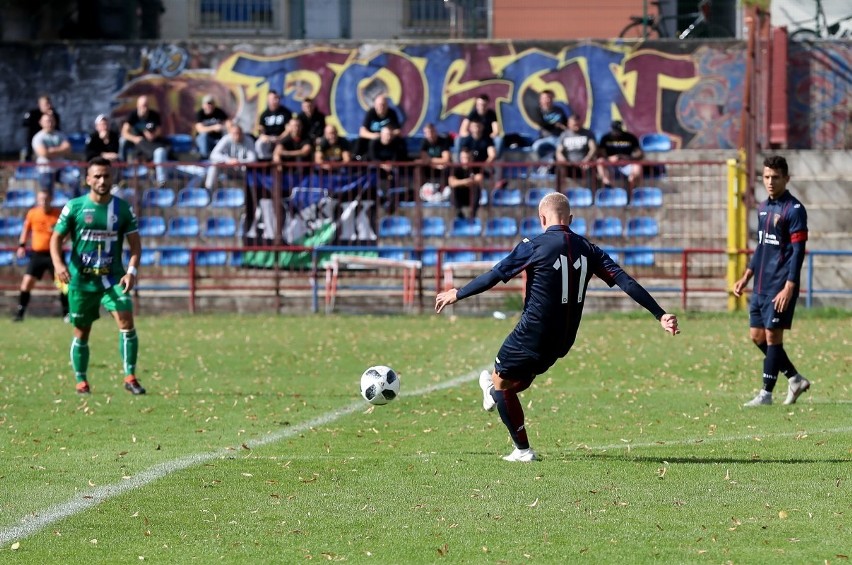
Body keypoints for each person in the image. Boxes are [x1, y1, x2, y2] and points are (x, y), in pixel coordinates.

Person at [435, 192, 680, 462]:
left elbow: (496, 275)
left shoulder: (534, 245)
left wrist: (458, 293)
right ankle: (493, 396)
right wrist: (659, 314)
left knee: (501, 382)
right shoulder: (589, 249)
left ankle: (522, 449)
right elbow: (626, 281)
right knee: (520, 376)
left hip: (533, 331)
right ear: (571, 219)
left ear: (542, 218)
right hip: (565, 338)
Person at [49, 157, 146, 396]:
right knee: (82, 332)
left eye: (107, 176)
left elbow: (135, 246)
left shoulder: (122, 209)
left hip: (113, 279)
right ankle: (81, 381)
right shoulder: (75, 207)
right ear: (88, 179)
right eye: (98, 176)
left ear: (112, 178)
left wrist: (131, 271)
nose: (103, 181)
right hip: (81, 282)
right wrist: (59, 264)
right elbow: (55, 239)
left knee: (126, 322)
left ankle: (130, 376)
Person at [733, 155, 810, 407]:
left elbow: (798, 252)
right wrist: (747, 275)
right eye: (766, 177)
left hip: (780, 285)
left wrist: (790, 285)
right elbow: (761, 246)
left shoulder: (795, 210)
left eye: (775, 177)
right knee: (757, 336)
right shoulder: (763, 207)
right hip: (760, 285)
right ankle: (795, 378)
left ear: (786, 179)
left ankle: (766, 394)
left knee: (773, 337)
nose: (770, 182)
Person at [13, 190, 69, 322]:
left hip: (54, 254)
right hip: (37, 254)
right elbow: (26, 230)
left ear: (51, 199)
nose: (43, 202)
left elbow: (67, 231)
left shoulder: (58, 214)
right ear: (37, 200)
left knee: (63, 284)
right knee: (26, 283)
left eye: (46, 199)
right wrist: (22, 246)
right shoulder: (33, 213)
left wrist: (65, 238)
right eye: (40, 199)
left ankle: (66, 313)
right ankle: (20, 313)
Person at [119, 95, 171, 187]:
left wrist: (152, 135)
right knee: (123, 141)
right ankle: (122, 166)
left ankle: (161, 182)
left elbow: (159, 131)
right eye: (142, 106)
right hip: (138, 142)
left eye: (146, 105)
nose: (144, 108)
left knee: (160, 152)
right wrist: (135, 138)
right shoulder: (133, 115)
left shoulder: (154, 115)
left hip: (152, 143)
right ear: (138, 106)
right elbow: (124, 132)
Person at [204, 123, 257, 191]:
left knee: (251, 174)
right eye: (234, 133)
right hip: (227, 167)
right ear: (230, 133)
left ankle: (250, 198)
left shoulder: (248, 140)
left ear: (242, 133)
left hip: (242, 169)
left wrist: (238, 161)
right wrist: (228, 160)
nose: (237, 136)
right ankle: (208, 191)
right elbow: (213, 155)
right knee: (214, 166)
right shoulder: (226, 139)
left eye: (238, 133)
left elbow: (253, 159)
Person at [596, 120, 643, 188]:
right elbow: (601, 153)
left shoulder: (630, 137)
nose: (617, 133)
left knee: (637, 165)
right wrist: (610, 158)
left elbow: (639, 153)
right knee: (600, 161)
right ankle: (608, 184)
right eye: (615, 131)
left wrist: (628, 157)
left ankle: (632, 186)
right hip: (611, 165)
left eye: (618, 131)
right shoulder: (606, 138)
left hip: (627, 164)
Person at [31, 113, 72, 191]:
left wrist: (51, 150)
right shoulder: (38, 137)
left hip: (60, 169)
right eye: (47, 121)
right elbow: (44, 153)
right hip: (45, 171)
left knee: (74, 182)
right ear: (41, 122)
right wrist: (60, 149)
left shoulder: (60, 135)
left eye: (51, 121)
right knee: (46, 194)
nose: (49, 123)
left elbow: (68, 149)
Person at [357, 94, 403, 159]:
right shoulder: (371, 113)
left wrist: (388, 134)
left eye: (383, 105)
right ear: (375, 105)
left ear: (387, 105)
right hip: (373, 139)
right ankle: (357, 159)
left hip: (388, 140)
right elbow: (362, 132)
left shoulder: (392, 113)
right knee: (360, 141)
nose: (381, 107)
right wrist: (374, 135)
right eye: (379, 105)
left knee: (400, 142)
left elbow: (398, 131)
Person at [555, 115, 597, 185]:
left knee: (590, 168)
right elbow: (559, 151)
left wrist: (587, 159)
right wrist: (562, 159)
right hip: (569, 164)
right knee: (559, 167)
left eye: (578, 124)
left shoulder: (588, 133)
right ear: (569, 124)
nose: (577, 126)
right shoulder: (564, 135)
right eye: (574, 125)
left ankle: (591, 193)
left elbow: (593, 148)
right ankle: (560, 191)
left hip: (584, 164)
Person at [456, 94, 502, 158]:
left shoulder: (491, 114)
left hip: (486, 138)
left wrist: (490, 137)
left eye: (484, 105)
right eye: (479, 105)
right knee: (458, 140)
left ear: (487, 104)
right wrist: (471, 136)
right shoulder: (473, 113)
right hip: (474, 137)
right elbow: (463, 130)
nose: (481, 107)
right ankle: (459, 163)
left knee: (499, 140)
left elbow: (496, 130)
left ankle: (495, 160)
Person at [531, 89, 569, 165]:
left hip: (559, 138)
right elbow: (542, 123)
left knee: (563, 150)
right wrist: (556, 125)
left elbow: (566, 123)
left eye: (550, 98)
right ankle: (543, 167)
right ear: (540, 100)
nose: (548, 100)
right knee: (535, 147)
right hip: (544, 138)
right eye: (545, 98)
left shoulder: (559, 110)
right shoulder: (538, 111)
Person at [255, 90, 292, 161]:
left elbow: (288, 130)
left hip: (282, 139)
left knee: (278, 151)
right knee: (259, 144)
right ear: (268, 100)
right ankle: (265, 164)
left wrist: (279, 138)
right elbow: (260, 129)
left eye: (278, 98)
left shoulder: (286, 113)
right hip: (268, 139)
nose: (277, 100)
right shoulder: (264, 114)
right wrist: (264, 137)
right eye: (274, 98)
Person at [447, 147, 483, 219]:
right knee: (453, 190)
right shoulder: (456, 168)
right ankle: (459, 214)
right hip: (460, 196)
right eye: (463, 158)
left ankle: (472, 214)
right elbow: (451, 182)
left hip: (471, 195)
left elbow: (479, 178)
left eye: (468, 158)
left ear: (471, 158)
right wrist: (465, 182)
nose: (465, 160)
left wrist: (469, 181)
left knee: (477, 188)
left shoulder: (475, 167)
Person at [22, 95, 61, 161]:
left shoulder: (54, 115)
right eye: (46, 104)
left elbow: (58, 130)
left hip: (51, 144)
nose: (49, 106)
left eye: (49, 103)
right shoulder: (33, 114)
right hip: (33, 143)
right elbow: (25, 124)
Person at [194, 94, 230, 159]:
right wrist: (214, 128)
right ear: (203, 105)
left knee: (226, 137)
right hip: (204, 141)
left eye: (211, 103)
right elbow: (200, 129)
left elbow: (229, 124)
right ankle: (205, 158)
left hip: (217, 139)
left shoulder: (219, 112)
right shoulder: (200, 113)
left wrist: (224, 127)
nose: (209, 106)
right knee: (204, 136)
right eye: (208, 103)